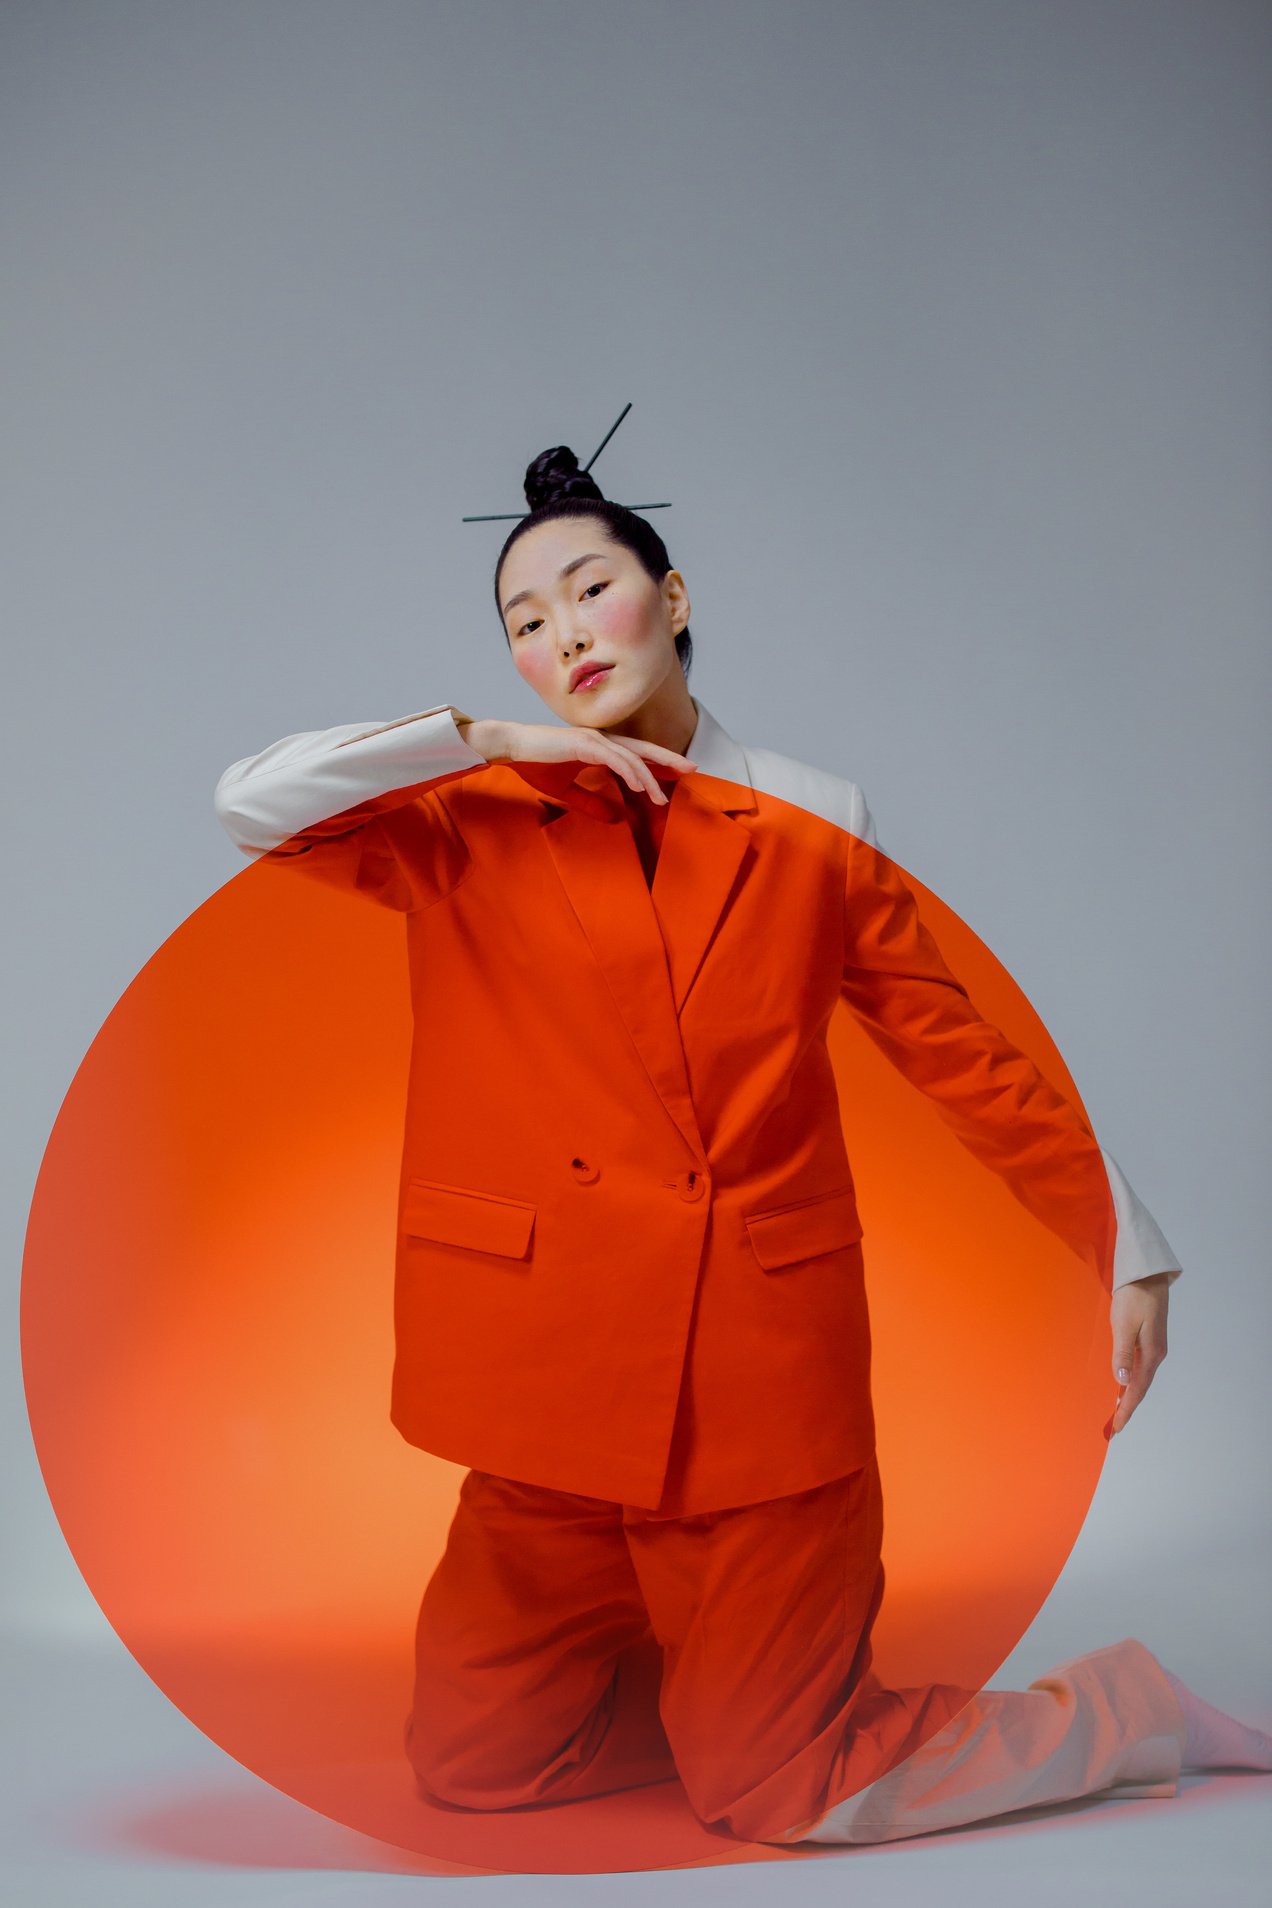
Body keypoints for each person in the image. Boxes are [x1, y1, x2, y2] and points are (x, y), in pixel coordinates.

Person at [213, 442, 1271, 1847]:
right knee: (472, 1765)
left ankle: (1122, 1711)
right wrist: (486, 739)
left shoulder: (814, 817)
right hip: (553, 1385)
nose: (562, 635)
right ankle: (730, 1695)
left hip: (754, 1380)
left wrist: (1125, 1244)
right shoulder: (465, 821)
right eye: (525, 624)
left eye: (591, 590)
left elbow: (964, 1053)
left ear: (673, 593)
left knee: (788, 1795)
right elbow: (249, 802)